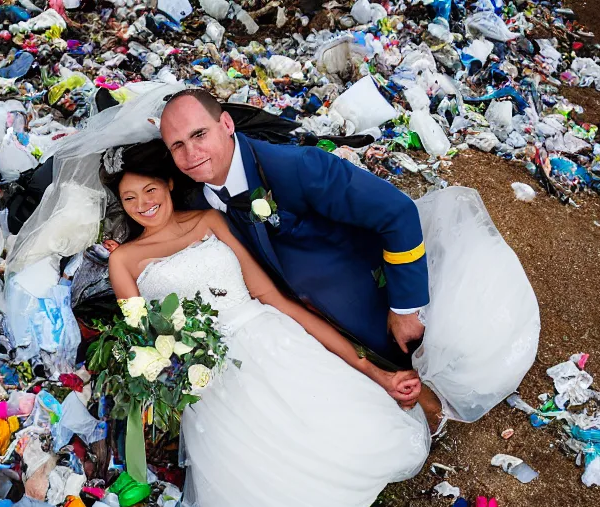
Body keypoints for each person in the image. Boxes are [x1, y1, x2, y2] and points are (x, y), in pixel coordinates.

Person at [104, 143, 432, 507]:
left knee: (349, 433)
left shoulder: (208, 221)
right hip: (208, 371)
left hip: (268, 335)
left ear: (168, 184)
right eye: (129, 198)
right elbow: (143, 335)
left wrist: (376, 373)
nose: (143, 204)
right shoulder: (124, 259)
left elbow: (271, 297)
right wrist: (170, 363)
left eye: (150, 190)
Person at [159, 88, 429, 376]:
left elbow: (397, 212)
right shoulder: (195, 205)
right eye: (177, 145)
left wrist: (406, 309)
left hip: (370, 314)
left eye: (199, 134)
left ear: (226, 124)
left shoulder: (299, 167)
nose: (191, 154)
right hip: (295, 344)